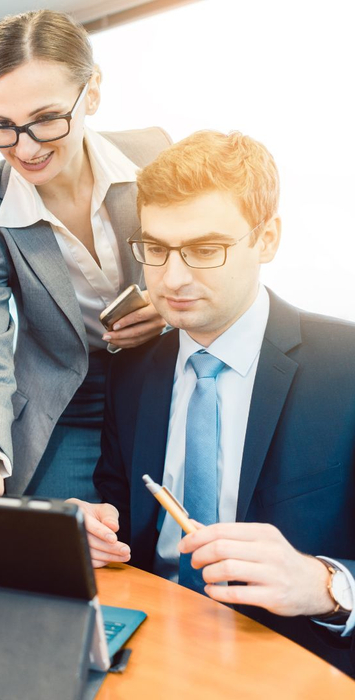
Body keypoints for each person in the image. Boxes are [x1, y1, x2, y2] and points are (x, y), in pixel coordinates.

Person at [75, 130, 355, 675]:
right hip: (145, 646)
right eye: (155, 249)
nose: (171, 278)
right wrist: (91, 532)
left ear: (267, 239)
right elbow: (116, 503)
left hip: (292, 662)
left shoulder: (347, 365)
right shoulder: (131, 371)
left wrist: (324, 584)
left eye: (205, 250)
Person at [0, 10, 170, 500]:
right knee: (67, 553)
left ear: (93, 93)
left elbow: (210, 264)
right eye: (2, 126)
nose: (25, 149)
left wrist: (167, 307)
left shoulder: (155, 157)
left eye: (45, 119)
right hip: (67, 401)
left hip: (166, 382)